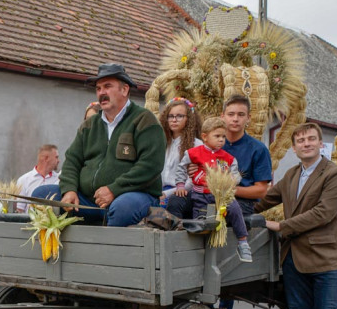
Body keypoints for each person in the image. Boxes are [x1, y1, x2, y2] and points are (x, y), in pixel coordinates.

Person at [256, 123, 337, 309]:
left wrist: (281, 226)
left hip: (327, 256)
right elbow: (266, 200)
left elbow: (324, 213)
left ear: (320, 144)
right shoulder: (291, 175)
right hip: (294, 256)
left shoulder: (335, 175)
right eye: (300, 140)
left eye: (311, 139)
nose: (306, 143)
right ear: (294, 148)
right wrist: (233, 209)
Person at [31, 63, 163, 226]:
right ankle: (62, 243)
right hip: (89, 200)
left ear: (124, 90)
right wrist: (69, 189)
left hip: (135, 195)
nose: (102, 93)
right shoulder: (89, 125)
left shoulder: (145, 120)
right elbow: (72, 161)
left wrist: (114, 189)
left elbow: (151, 165)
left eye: (107, 86)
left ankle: (107, 242)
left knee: (122, 208)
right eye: (98, 88)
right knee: (41, 196)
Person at [213, 95, 273, 309]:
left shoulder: (257, 149)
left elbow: (261, 189)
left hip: (242, 202)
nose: (235, 119)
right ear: (222, 116)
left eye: (240, 115)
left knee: (227, 223)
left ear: (248, 118)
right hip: (210, 198)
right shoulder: (212, 144)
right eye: (231, 114)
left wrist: (228, 189)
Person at [174, 117, 252, 262]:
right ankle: (198, 251)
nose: (221, 140)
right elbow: (181, 168)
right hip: (200, 195)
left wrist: (231, 180)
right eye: (217, 136)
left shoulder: (228, 158)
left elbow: (236, 175)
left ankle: (243, 241)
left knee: (235, 209)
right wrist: (180, 185)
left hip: (222, 195)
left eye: (223, 136)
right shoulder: (193, 153)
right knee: (200, 220)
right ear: (205, 137)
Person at [158, 97, 201, 220]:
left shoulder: (196, 145)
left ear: (189, 119)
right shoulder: (161, 142)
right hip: (159, 191)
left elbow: (192, 182)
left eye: (179, 116)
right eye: (170, 116)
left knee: (168, 206)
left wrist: (166, 193)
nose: (174, 120)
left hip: (181, 193)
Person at [14, 144, 60, 213]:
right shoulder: (24, 180)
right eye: (56, 157)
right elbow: (19, 209)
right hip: (29, 220)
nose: (58, 160)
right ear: (46, 158)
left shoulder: (59, 179)